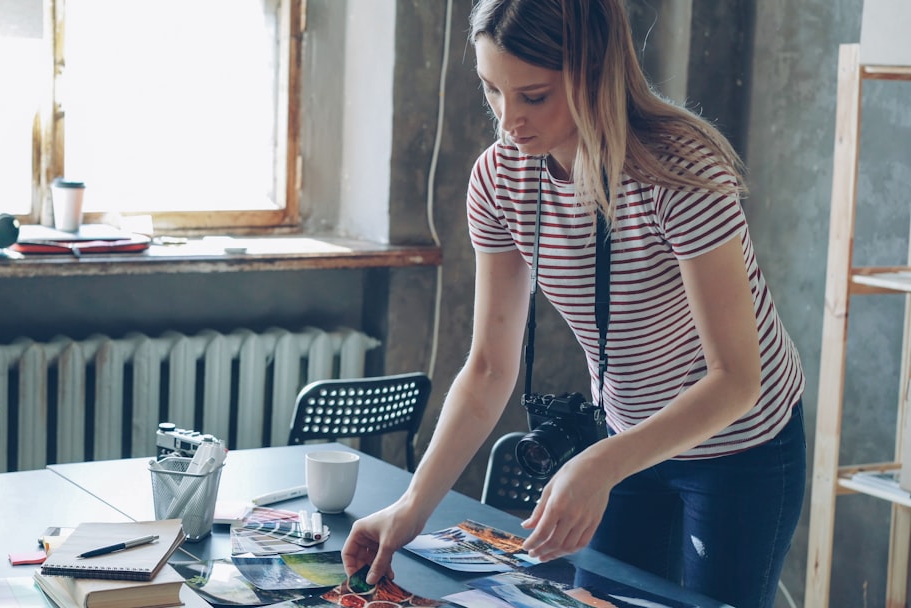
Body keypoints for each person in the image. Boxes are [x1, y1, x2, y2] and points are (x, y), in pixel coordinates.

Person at [340, 1, 806, 607]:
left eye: (533, 96)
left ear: (594, 73)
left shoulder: (680, 169)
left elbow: (737, 380)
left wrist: (599, 464)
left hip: (740, 443)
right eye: (492, 90)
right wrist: (410, 508)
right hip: (625, 437)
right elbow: (487, 368)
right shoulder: (499, 179)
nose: (509, 122)